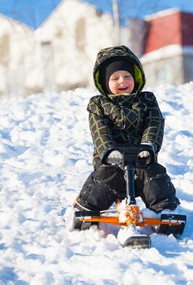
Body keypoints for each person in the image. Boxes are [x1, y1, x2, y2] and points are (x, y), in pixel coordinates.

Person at [74, 45, 180, 214]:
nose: (122, 81)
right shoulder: (98, 104)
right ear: (105, 83)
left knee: (155, 175)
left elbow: (154, 124)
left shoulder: (147, 100)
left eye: (127, 76)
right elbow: (99, 131)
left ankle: (166, 211)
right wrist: (109, 151)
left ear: (136, 77)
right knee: (104, 179)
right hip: (111, 161)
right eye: (115, 78)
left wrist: (148, 146)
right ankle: (86, 208)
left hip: (141, 159)